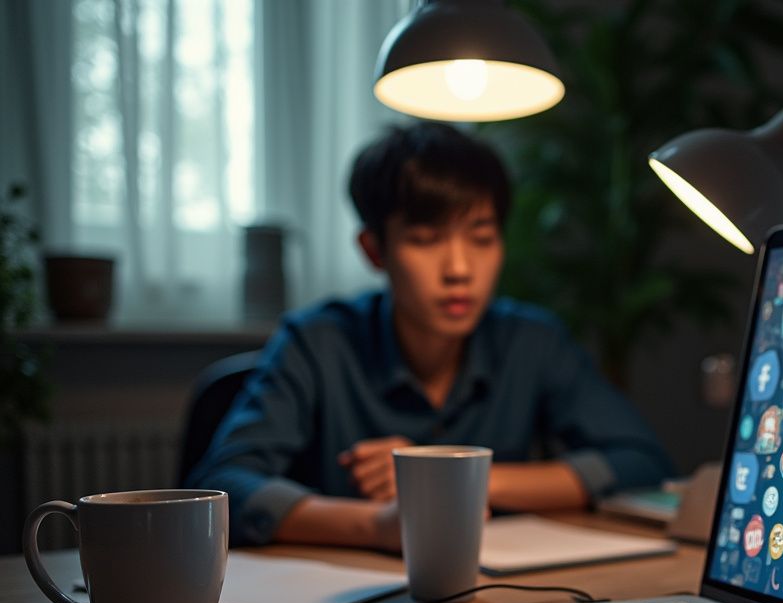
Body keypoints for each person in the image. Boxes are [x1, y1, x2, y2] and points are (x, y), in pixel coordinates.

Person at [187, 122, 672, 550]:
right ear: (375, 249)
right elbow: (222, 485)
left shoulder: (531, 340)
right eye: (425, 240)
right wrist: (378, 525)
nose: (460, 270)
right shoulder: (317, 341)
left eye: (481, 238)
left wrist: (455, 479)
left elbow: (641, 461)